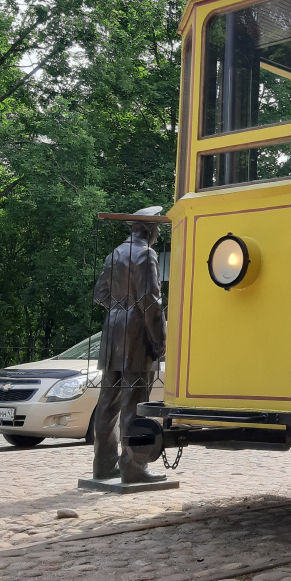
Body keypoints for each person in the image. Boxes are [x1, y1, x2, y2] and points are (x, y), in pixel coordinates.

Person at [91, 207, 166, 482]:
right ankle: (133, 468)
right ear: (149, 229)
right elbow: (151, 302)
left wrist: (119, 311)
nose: (159, 232)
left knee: (107, 402)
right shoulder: (146, 254)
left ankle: (102, 465)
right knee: (133, 402)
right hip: (136, 336)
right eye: (157, 227)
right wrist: (160, 339)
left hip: (112, 333)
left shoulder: (115, 254)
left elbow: (100, 294)